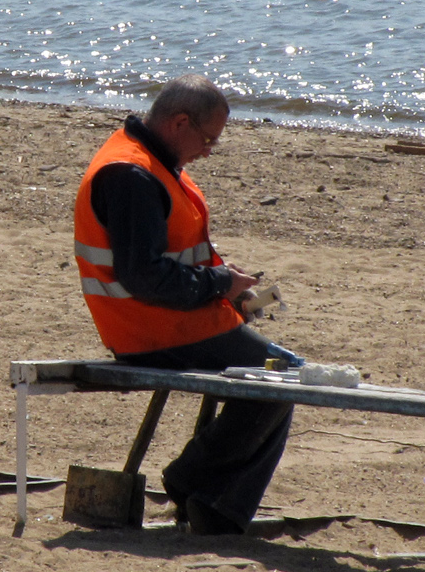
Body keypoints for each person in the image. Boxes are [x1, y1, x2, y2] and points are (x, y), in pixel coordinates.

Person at [72, 75, 290, 535]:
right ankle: (200, 489)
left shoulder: (150, 161)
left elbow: (168, 257)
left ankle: (209, 495)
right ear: (179, 123)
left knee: (283, 377)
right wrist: (219, 283)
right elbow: (144, 277)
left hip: (168, 322)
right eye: (208, 139)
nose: (209, 150)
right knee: (284, 379)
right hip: (151, 330)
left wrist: (229, 287)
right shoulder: (131, 174)